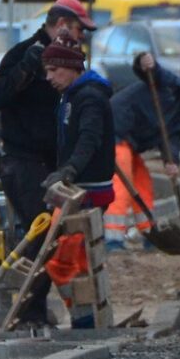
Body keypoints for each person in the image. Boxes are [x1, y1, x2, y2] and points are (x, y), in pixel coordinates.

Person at [0, 0, 93, 323]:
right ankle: (30, 312)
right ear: (60, 25)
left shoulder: (69, 59)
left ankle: (37, 310)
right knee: (43, 234)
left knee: (50, 235)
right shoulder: (25, 53)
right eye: (79, 29)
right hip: (24, 162)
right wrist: (25, 70)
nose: (82, 36)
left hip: (52, 164)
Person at [40, 40, 117, 329]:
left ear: (72, 68)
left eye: (54, 70)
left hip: (88, 191)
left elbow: (89, 138)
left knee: (68, 260)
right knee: (75, 257)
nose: (49, 77)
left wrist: (70, 169)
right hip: (80, 189)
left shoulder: (89, 98)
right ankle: (87, 317)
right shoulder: (72, 95)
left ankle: (85, 320)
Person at [106, 53, 180, 248]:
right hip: (115, 129)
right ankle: (112, 239)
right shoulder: (172, 86)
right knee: (122, 183)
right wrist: (145, 62)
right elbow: (154, 73)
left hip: (130, 142)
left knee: (143, 183)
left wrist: (171, 161)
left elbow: (171, 143)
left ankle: (150, 233)